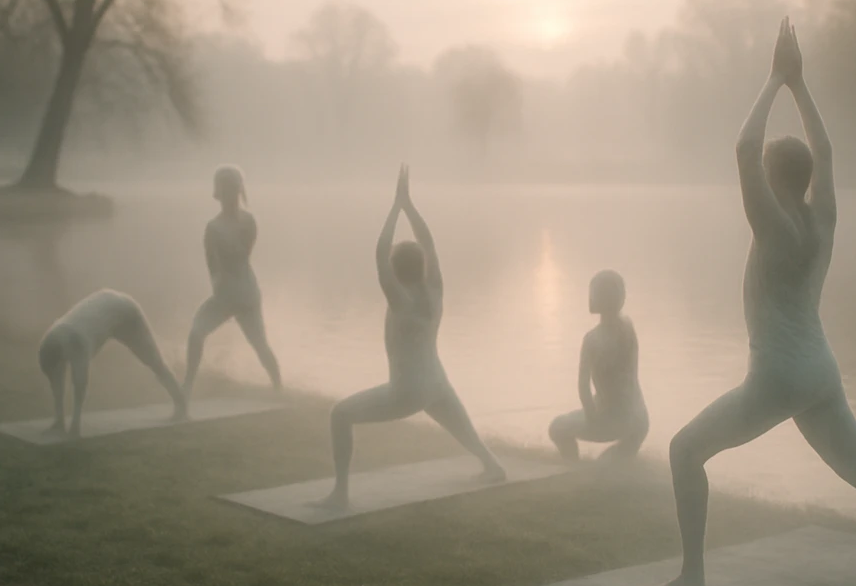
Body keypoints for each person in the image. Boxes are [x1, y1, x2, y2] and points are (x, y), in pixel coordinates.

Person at [641, 18, 856, 586]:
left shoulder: (775, 227)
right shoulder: (821, 219)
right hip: (820, 374)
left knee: (683, 452)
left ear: (774, 179)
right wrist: (802, 87)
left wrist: (776, 77)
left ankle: (691, 581)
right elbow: (825, 150)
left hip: (778, 377)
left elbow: (743, 148)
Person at [322, 165, 506, 510]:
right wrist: (409, 204)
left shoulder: (400, 299)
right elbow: (429, 243)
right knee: (460, 427)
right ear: (421, 266)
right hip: (436, 380)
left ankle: (340, 493)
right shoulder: (434, 291)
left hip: (406, 390)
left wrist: (396, 206)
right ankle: (493, 466)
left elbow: (379, 253)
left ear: (395, 270)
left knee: (339, 414)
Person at [182, 165, 281, 402]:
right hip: (228, 295)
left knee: (259, 344)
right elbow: (212, 263)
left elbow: (239, 255)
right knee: (196, 334)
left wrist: (223, 280)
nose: (230, 196)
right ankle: (186, 389)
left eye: (233, 190)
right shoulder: (213, 227)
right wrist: (218, 286)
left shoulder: (246, 222)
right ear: (220, 192)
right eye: (226, 190)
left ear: (237, 191)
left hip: (245, 295)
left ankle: (279, 388)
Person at [39, 289, 186, 439]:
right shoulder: (47, 349)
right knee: (155, 361)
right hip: (105, 307)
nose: (60, 372)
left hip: (125, 312)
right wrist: (59, 421)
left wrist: (75, 425)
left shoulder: (77, 340)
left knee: (155, 361)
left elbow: (80, 383)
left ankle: (181, 403)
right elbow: (56, 382)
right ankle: (59, 422)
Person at [548, 269, 649, 464]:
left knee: (557, 428)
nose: (589, 297)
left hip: (615, 420)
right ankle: (620, 459)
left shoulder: (593, 339)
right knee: (610, 462)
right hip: (639, 420)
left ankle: (573, 470)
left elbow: (583, 388)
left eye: (593, 293)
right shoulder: (628, 326)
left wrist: (592, 420)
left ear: (604, 298)